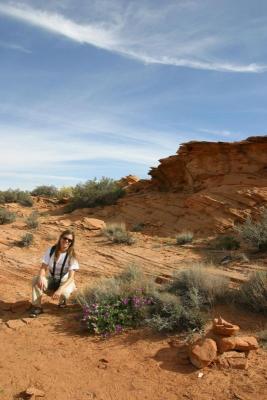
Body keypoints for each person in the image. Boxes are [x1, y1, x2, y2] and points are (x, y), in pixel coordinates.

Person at [30, 229, 79, 317]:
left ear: (71, 242)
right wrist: (41, 277)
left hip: (65, 281)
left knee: (64, 292)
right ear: (60, 238)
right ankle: (37, 307)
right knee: (36, 280)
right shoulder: (51, 250)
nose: (67, 241)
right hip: (53, 279)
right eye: (65, 238)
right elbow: (43, 267)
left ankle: (63, 300)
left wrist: (60, 290)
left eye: (70, 240)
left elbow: (71, 277)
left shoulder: (72, 255)